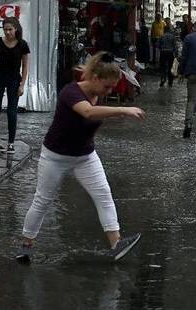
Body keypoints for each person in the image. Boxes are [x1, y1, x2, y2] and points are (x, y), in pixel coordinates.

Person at [15, 52, 145, 263]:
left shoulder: (96, 91)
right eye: (107, 87)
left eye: (112, 87)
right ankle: (26, 245)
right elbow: (88, 113)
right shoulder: (70, 92)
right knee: (42, 200)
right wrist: (123, 110)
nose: (109, 91)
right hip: (55, 156)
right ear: (94, 78)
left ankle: (116, 243)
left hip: (85, 156)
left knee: (103, 193)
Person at [0, 17, 30, 154]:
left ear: (16, 29)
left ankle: (11, 143)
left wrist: (22, 84)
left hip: (14, 79)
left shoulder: (22, 44)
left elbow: (25, 66)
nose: (8, 32)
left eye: (10, 29)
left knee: (12, 111)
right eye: (5, 30)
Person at [157, 23, 179, 88]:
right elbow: (175, 46)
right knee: (170, 67)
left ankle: (163, 79)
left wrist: (161, 48)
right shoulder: (172, 37)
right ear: (169, 30)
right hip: (170, 53)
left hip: (163, 53)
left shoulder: (161, 36)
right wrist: (176, 54)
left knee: (163, 67)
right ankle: (170, 81)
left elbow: (157, 45)